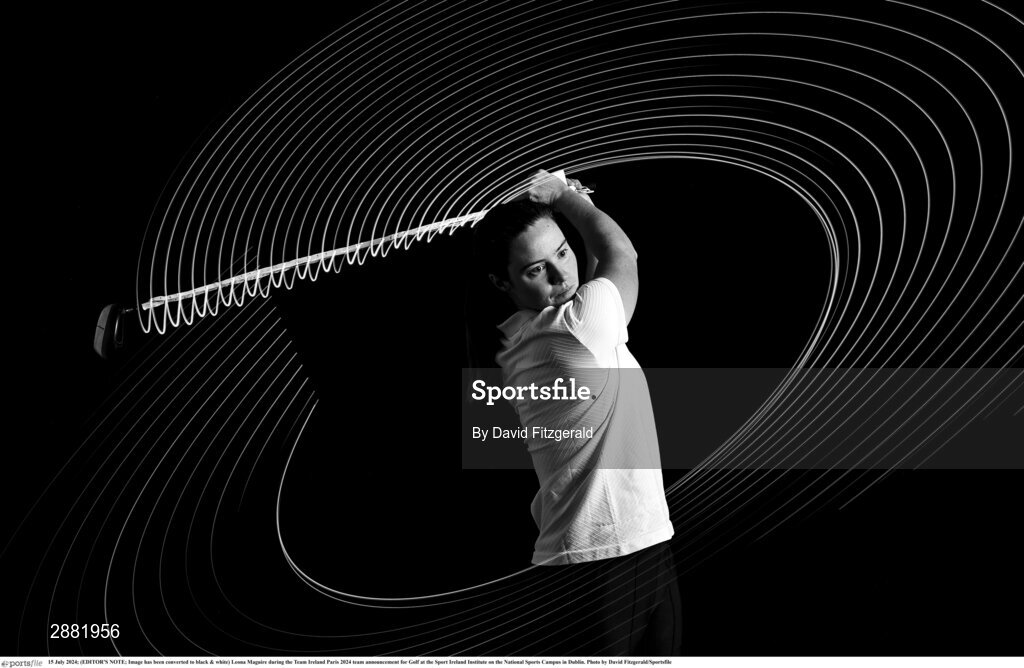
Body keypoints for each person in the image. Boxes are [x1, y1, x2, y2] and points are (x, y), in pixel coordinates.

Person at [470, 169, 682, 656]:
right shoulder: (574, 331)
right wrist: (566, 197)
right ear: (502, 281)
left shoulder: (527, 334)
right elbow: (620, 256)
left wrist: (572, 209)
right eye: (536, 270)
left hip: (630, 543)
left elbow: (592, 282)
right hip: (603, 561)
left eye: (562, 252)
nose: (561, 276)